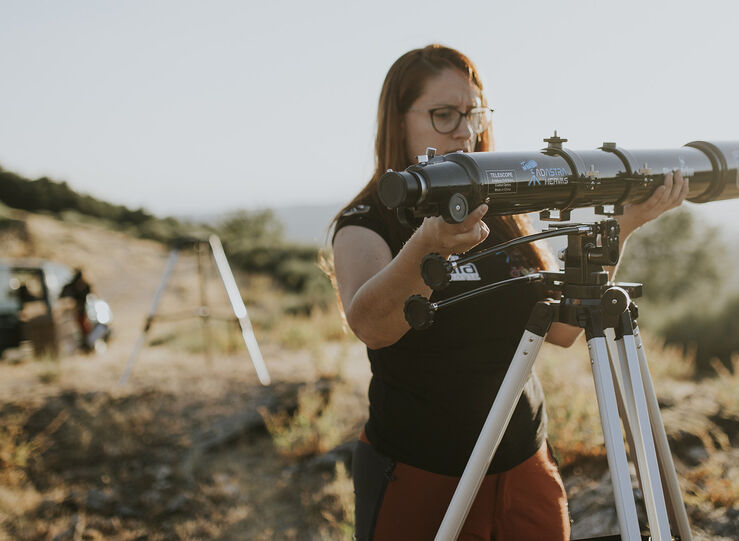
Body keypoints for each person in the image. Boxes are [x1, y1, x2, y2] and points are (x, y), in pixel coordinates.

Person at [330, 44, 687, 541]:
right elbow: (372, 327)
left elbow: (562, 330)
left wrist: (622, 227)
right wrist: (425, 247)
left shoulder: (499, 213)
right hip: (421, 472)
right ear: (399, 120)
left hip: (524, 463)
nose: (463, 130)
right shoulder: (366, 223)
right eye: (443, 114)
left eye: (473, 113)